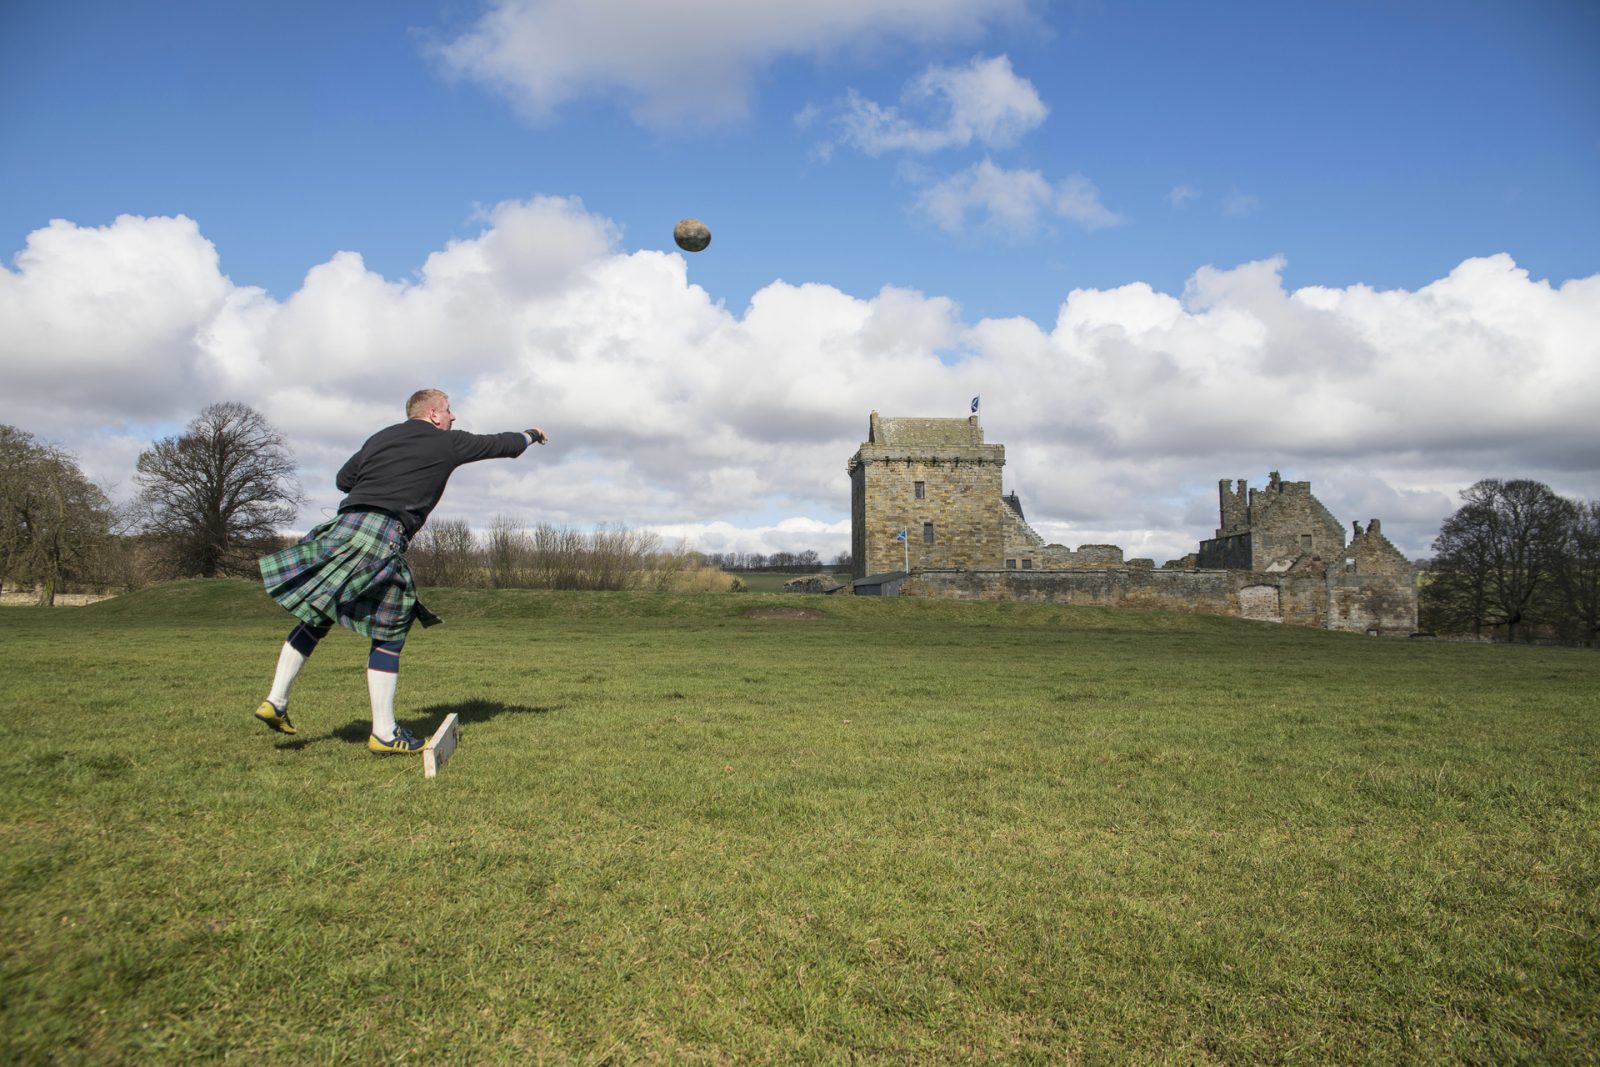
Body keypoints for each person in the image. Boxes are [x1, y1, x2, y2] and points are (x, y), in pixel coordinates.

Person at [254, 388, 546, 753]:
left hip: (343, 527)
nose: (453, 417)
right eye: (449, 410)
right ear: (433, 415)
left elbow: (344, 480)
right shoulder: (447, 443)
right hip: (381, 535)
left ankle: (275, 701)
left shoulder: (381, 437)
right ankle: (384, 733)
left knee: (319, 613)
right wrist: (532, 435)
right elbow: (503, 445)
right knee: (391, 626)